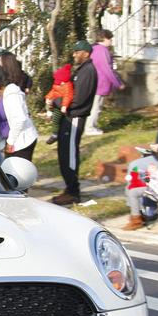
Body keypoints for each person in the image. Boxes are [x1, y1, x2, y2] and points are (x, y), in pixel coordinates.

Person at [52, 41, 97, 205]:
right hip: (68, 116)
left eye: (77, 52)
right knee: (63, 154)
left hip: (76, 116)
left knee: (69, 154)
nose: (74, 54)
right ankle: (69, 188)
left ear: (85, 53)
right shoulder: (82, 70)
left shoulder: (88, 71)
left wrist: (57, 102)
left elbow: (78, 99)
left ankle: (73, 191)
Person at [84, 29, 123, 135]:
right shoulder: (103, 51)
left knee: (93, 106)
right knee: (96, 107)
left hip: (93, 82)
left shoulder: (93, 48)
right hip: (100, 83)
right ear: (105, 38)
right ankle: (90, 128)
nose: (111, 41)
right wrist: (117, 83)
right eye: (110, 39)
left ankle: (90, 126)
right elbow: (107, 69)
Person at [0, 63, 38, 161]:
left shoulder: (12, 93)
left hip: (20, 140)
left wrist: (11, 142)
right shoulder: (0, 93)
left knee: (18, 172)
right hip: (11, 138)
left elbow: (20, 119)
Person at [44, 63, 74, 145]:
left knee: (56, 120)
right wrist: (48, 98)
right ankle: (49, 114)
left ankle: (55, 134)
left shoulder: (67, 86)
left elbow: (68, 96)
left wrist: (64, 106)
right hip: (55, 103)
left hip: (59, 107)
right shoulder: (57, 84)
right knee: (47, 105)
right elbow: (52, 92)